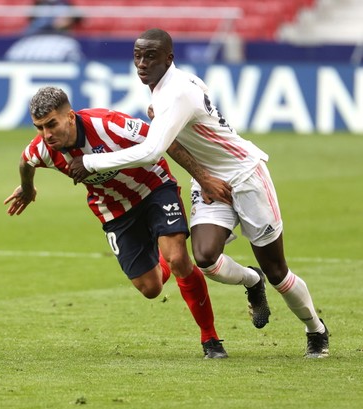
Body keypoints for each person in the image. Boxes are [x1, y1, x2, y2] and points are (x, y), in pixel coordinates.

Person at [68, 28, 329, 359]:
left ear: (169, 58)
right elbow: (176, 140)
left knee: (279, 271)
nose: (142, 63)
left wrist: (90, 161)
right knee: (205, 258)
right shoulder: (174, 88)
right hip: (209, 183)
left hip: (246, 176)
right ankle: (252, 280)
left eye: (150, 56)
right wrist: (204, 177)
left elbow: (151, 152)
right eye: (137, 55)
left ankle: (315, 330)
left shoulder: (175, 94)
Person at [4, 86, 232, 359]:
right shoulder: (43, 148)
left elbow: (164, 140)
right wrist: (27, 189)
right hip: (114, 209)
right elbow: (25, 161)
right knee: (151, 288)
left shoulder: (110, 125)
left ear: (70, 117)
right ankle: (159, 253)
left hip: (154, 187)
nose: (46, 134)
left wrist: (204, 178)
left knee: (178, 259)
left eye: (52, 124)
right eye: (39, 127)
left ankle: (211, 340)